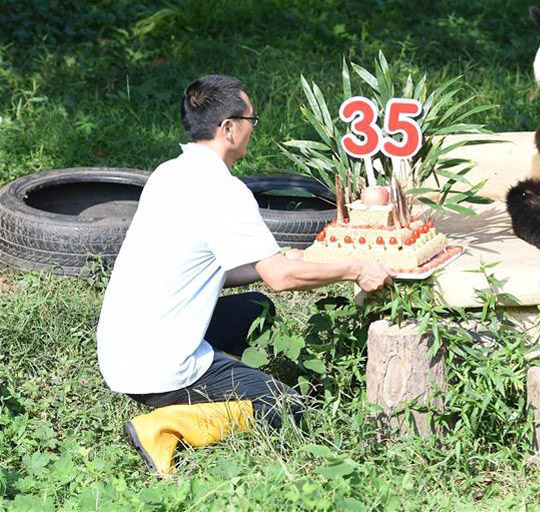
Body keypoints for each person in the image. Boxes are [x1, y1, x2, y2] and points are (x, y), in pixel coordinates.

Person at [96, 74, 392, 476]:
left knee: (256, 307)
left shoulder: (169, 173)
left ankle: (219, 384)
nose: (254, 129)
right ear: (229, 127)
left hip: (122, 352)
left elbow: (219, 268)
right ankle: (164, 424)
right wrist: (357, 268)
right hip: (161, 367)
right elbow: (282, 278)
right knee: (288, 408)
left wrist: (268, 260)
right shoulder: (224, 190)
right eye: (252, 119)